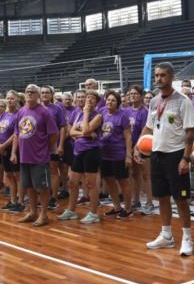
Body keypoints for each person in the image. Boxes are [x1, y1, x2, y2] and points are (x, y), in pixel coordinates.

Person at [135, 62, 194, 256]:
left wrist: (185, 158)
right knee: (161, 197)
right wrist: (137, 147)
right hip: (157, 154)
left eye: (162, 75)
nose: (158, 79)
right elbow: (148, 128)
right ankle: (166, 235)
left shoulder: (183, 101)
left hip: (176, 154)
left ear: (171, 77)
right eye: (156, 76)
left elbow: (189, 133)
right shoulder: (153, 101)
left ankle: (187, 238)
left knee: (181, 199)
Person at [12, 84, 58, 227]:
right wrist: (14, 152)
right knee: (29, 187)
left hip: (40, 157)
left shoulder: (44, 112)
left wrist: (46, 149)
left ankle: (44, 215)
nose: (29, 94)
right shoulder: (21, 112)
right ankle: (33, 213)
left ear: (38, 96)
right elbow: (17, 134)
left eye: (33, 92)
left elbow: (53, 134)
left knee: (42, 188)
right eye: (27, 92)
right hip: (24, 156)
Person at [59, 90, 104, 224]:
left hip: (91, 151)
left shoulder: (98, 116)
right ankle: (71, 211)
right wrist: (86, 134)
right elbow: (71, 132)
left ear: (96, 102)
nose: (88, 100)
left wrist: (86, 113)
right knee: (72, 182)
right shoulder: (76, 113)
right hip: (78, 151)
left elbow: (85, 129)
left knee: (90, 183)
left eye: (91, 98)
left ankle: (94, 213)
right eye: (87, 97)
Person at [99, 91, 133, 219]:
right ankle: (117, 206)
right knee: (109, 181)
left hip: (118, 154)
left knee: (123, 182)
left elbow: (128, 137)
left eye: (113, 100)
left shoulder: (123, 116)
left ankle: (128, 208)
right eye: (108, 100)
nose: (109, 102)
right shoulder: (102, 113)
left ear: (118, 103)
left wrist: (128, 155)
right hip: (104, 154)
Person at [126, 86, 154, 215]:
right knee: (134, 175)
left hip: (143, 146)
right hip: (130, 147)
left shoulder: (145, 111)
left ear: (141, 96)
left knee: (146, 175)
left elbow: (145, 131)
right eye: (131, 93)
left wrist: (136, 147)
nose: (133, 95)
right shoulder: (126, 111)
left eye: (136, 93)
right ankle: (136, 200)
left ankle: (149, 202)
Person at [41, 85, 67, 209]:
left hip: (52, 145)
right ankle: (43, 196)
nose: (44, 94)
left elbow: (62, 127)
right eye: (42, 92)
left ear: (51, 95)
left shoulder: (57, 109)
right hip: (39, 147)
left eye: (47, 92)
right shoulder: (36, 108)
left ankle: (54, 197)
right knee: (40, 172)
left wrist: (60, 145)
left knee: (53, 170)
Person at [0, 91, 22, 212]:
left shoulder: (19, 114)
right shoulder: (3, 114)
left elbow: (16, 134)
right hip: (3, 149)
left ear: (16, 99)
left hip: (14, 149)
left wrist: (3, 146)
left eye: (12, 98)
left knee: (17, 176)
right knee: (9, 175)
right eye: (8, 98)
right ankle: (13, 200)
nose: (9, 100)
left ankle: (20, 201)